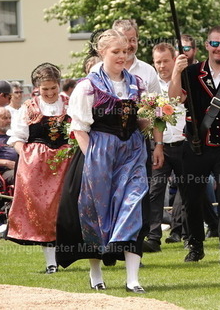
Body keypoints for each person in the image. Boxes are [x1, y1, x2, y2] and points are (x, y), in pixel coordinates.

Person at [56, 29, 163, 293]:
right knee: (96, 212)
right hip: (99, 153)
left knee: (134, 207)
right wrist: (93, 159)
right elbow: (79, 128)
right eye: (116, 51)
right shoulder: (88, 86)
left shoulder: (137, 83)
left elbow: (140, 121)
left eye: (125, 51)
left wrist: (153, 118)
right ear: (102, 52)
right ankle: (95, 271)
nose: (122, 56)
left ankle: (133, 279)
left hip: (133, 153)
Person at [169, 26, 220, 264]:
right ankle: (195, 246)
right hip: (196, 144)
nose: (219, 48)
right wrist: (176, 72)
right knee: (191, 197)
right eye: (215, 43)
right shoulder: (191, 72)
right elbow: (174, 99)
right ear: (207, 46)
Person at [6, 63, 71, 274]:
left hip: (66, 162)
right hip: (37, 166)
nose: (50, 93)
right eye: (45, 89)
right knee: (43, 210)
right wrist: (26, 157)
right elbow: (17, 137)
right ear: (37, 88)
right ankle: (51, 262)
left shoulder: (70, 104)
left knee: (64, 208)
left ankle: (68, 253)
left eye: (53, 88)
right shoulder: (29, 107)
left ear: (59, 85)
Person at [143, 43, 186, 253]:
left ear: (174, 60)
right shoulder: (151, 86)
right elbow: (152, 117)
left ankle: (186, 234)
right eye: (158, 62)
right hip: (160, 146)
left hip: (184, 143)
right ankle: (153, 237)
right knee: (155, 191)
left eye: (165, 61)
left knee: (188, 191)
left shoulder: (185, 80)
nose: (162, 66)